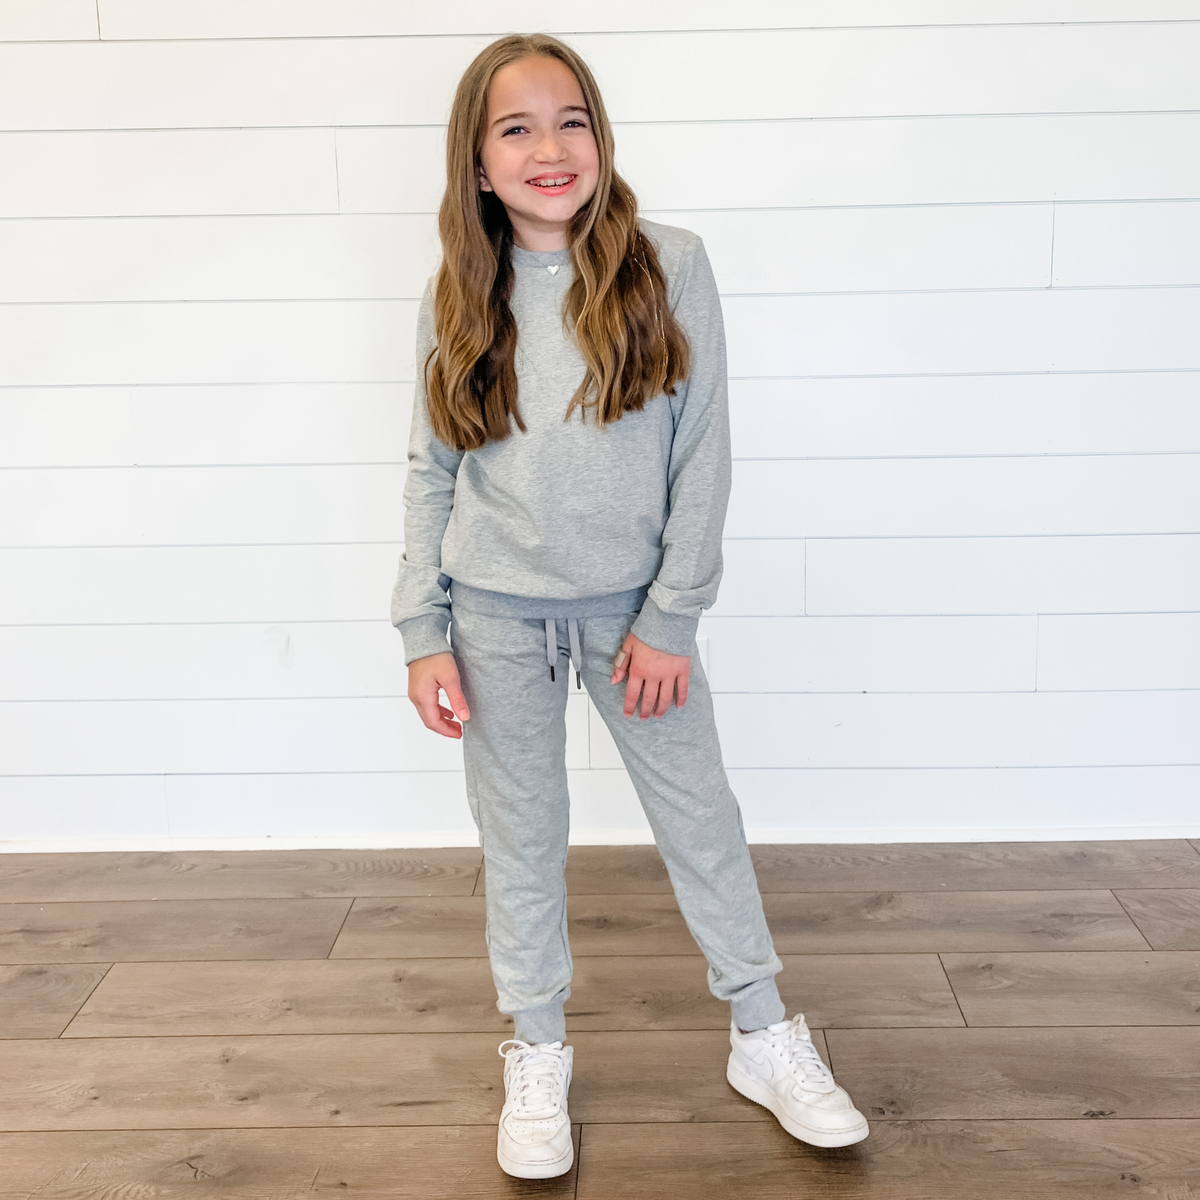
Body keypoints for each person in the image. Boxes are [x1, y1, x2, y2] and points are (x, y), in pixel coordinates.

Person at [391, 32, 869, 1180]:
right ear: (478, 162)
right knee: (521, 836)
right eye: (516, 128)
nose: (549, 147)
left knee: (699, 816)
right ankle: (537, 1048)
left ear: (601, 137)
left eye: (571, 120)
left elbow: (702, 455)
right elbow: (430, 467)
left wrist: (670, 617)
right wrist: (422, 628)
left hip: (633, 620)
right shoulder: (458, 292)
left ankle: (762, 1034)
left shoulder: (672, 265)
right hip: (492, 615)